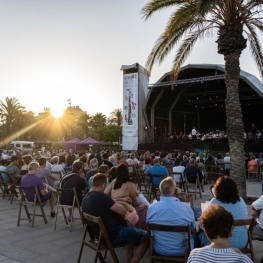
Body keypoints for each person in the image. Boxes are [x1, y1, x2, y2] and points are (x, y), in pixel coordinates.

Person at [82, 173, 149, 263]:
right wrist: (122, 203)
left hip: (99, 236)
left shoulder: (85, 198)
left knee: (131, 231)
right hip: (114, 235)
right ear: (102, 185)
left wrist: (114, 201)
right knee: (147, 235)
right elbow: (123, 211)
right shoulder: (100, 196)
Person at [147, 177, 196, 257]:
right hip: (182, 251)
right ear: (176, 192)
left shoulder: (152, 208)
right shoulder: (186, 207)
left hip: (159, 250)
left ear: (159, 191)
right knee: (197, 236)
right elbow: (193, 230)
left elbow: (148, 228)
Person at [188, 204, 253, 263]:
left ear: (206, 232)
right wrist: (241, 256)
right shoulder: (242, 260)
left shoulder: (194, 255)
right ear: (230, 229)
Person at [199, 176, 248, 249]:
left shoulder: (214, 202)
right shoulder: (241, 201)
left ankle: (203, 255)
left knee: (199, 234)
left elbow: (202, 224)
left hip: (219, 242)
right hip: (242, 242)